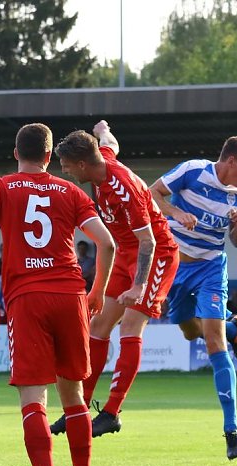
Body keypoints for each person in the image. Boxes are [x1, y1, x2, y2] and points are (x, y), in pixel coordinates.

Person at [0, 122, 115, 466]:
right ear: (50, 156)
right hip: (71, 296)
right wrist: (98, 289)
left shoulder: (1, 187)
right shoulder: (70, 190)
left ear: (17, 153)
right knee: (76, 397)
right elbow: (108, 242)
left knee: (33, 398)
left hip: (28, 298)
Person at [51, 120, 179, 439]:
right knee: (98, 328)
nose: (66, 172)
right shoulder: (101, 159)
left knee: (130, 327)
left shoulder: (125, 190)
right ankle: (77, 408)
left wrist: (139, 285)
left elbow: (149, 242)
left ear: (82, 163)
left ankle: (111, 412)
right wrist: (102, 129)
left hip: (155, 256)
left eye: (67, 166)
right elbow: (109, 141)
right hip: (125, 253)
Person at [148, 136, 237, 459]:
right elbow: (151, 194)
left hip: (212, 266)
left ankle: (232, 429)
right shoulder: (193, 171)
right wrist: (174, 212)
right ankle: (232, 328)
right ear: (231, 161)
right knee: (188, 332)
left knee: (213, 343)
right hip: (176, 266)